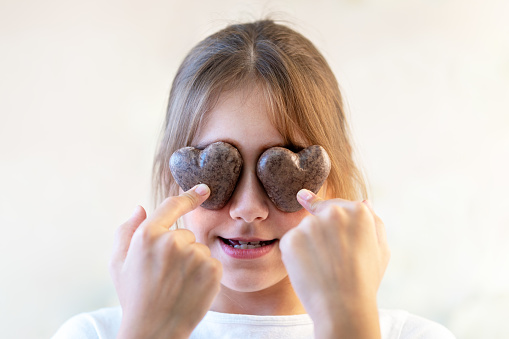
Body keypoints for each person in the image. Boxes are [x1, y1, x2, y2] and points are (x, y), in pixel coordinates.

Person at [52, 19, 456, 339]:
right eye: (216, 172)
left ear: (332, 181)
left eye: (283, 168)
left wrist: (348, 321)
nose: (247, 208)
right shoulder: (95, 334)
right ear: (172, 177)